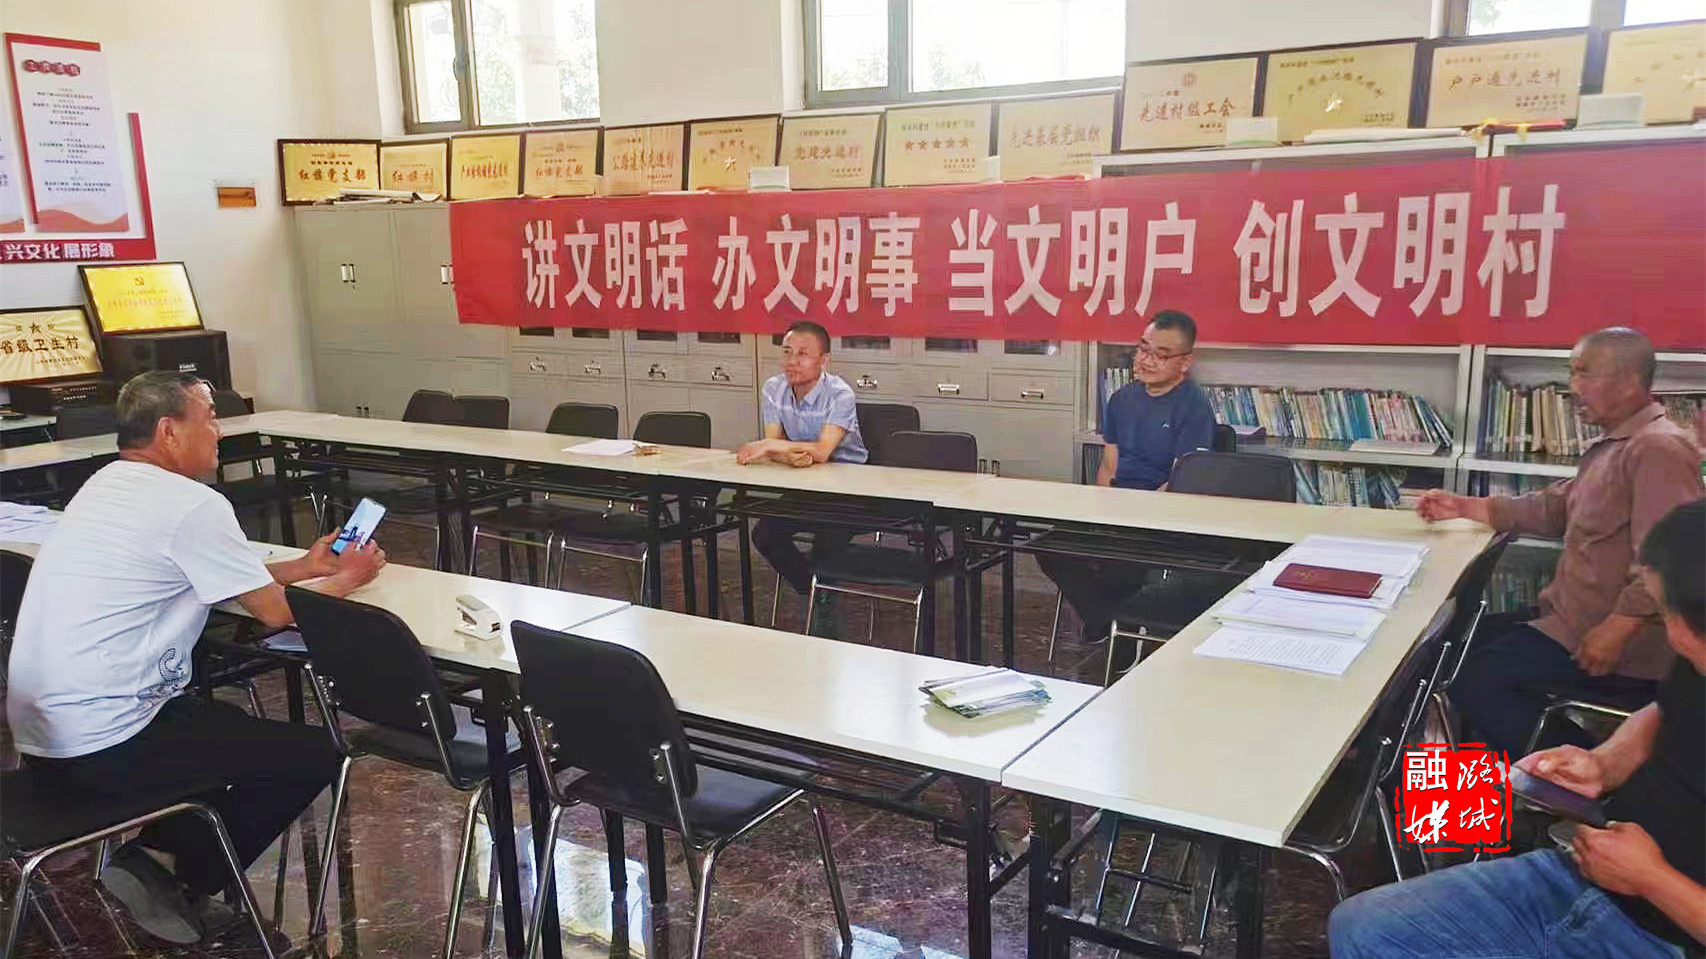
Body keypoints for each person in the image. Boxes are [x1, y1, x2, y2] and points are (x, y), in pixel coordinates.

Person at [7, 371, 386, 945]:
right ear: (169, 431)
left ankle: (164, 864)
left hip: (44, 738)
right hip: (106, 742)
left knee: (225, 730)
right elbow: (274, 613)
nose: (219, 432)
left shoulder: (106, 484)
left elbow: (210, 573)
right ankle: (166, 872)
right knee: (311, 754)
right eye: (209, 418)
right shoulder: (192, 504)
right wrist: (350, 577)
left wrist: (308, 567)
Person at [1330, 498, 1706, 958]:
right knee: (1361, 927)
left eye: (1664, 614)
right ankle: (1449, 829)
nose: (1668, 633)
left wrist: (1651, 879)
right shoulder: (1695, 661)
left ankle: (1457, 826)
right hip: (1599, 870)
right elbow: (1665, 708)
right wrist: (1604, 763)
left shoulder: (1658, 462)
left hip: (1666, 921)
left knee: (1473, 680)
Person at [1417, 327, 1702, 755]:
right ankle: (1482, 790)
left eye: (1585, 373)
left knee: (1468, 680)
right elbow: (1554, 508)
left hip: (1609, 643)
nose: (1573, 388)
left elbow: (1667, 560)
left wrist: (1618, 627)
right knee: (1452, 646)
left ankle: (1584, 772)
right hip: (1566, 621)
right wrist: (1463, 506)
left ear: (1628, 382)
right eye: (1572, 373)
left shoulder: (1657, 450)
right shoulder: (1615, 446)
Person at [1037, 310, 1217, 642]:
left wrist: (1135, 514)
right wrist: (1103, 513)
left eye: (1160, 354)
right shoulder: (1121, 399)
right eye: (1143, 348)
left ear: (1185, 362)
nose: (1146, 360)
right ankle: (1110, 620)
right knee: (1050, 545)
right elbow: (1109, 466)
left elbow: (1182, 480)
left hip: (1161, 515)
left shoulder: (1193, 405)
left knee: (1121, 559)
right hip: (1119, 507)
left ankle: (1114, 628)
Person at [738, 320, 869, 599]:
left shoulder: (840, 394)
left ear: (823, 361)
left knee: (828, 541)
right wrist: (777, 449)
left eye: (803, 354)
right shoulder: (774, 388)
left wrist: (772, 446)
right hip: (804, 483)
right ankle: (811, 589)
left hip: (849, 489)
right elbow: (775, 449)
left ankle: (823, 599)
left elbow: (821, 451)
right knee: (764, 534)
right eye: (787, 352)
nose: (792, 361)